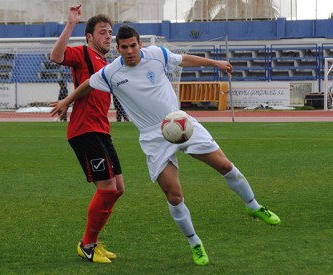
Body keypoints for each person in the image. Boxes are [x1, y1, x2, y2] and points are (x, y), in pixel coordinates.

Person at [51, 25, 281, 266]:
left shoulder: (157, 55)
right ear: (118, 49)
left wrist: (216, 64)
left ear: (140, 45)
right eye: (124, 47)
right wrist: (67, 101)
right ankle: (195, 244)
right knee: (174, 195)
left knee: (224, 165)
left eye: (133, 46)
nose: (129, 51)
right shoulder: (111, 72)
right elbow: (87, 83)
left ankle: (254, 206)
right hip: (153, 138)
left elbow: (184, 60)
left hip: (180, 122)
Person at [49, 5, 124, 264]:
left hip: (102, 130)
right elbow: (56, 56)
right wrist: (70, 24)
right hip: (84, 130)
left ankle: (93, 241)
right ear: (90, 37)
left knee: (118, 189)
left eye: (110, 33)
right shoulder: (82, 53)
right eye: (103, 32)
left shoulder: (108, 63)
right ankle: (87, 245)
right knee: (107, 187)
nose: (108, 37)